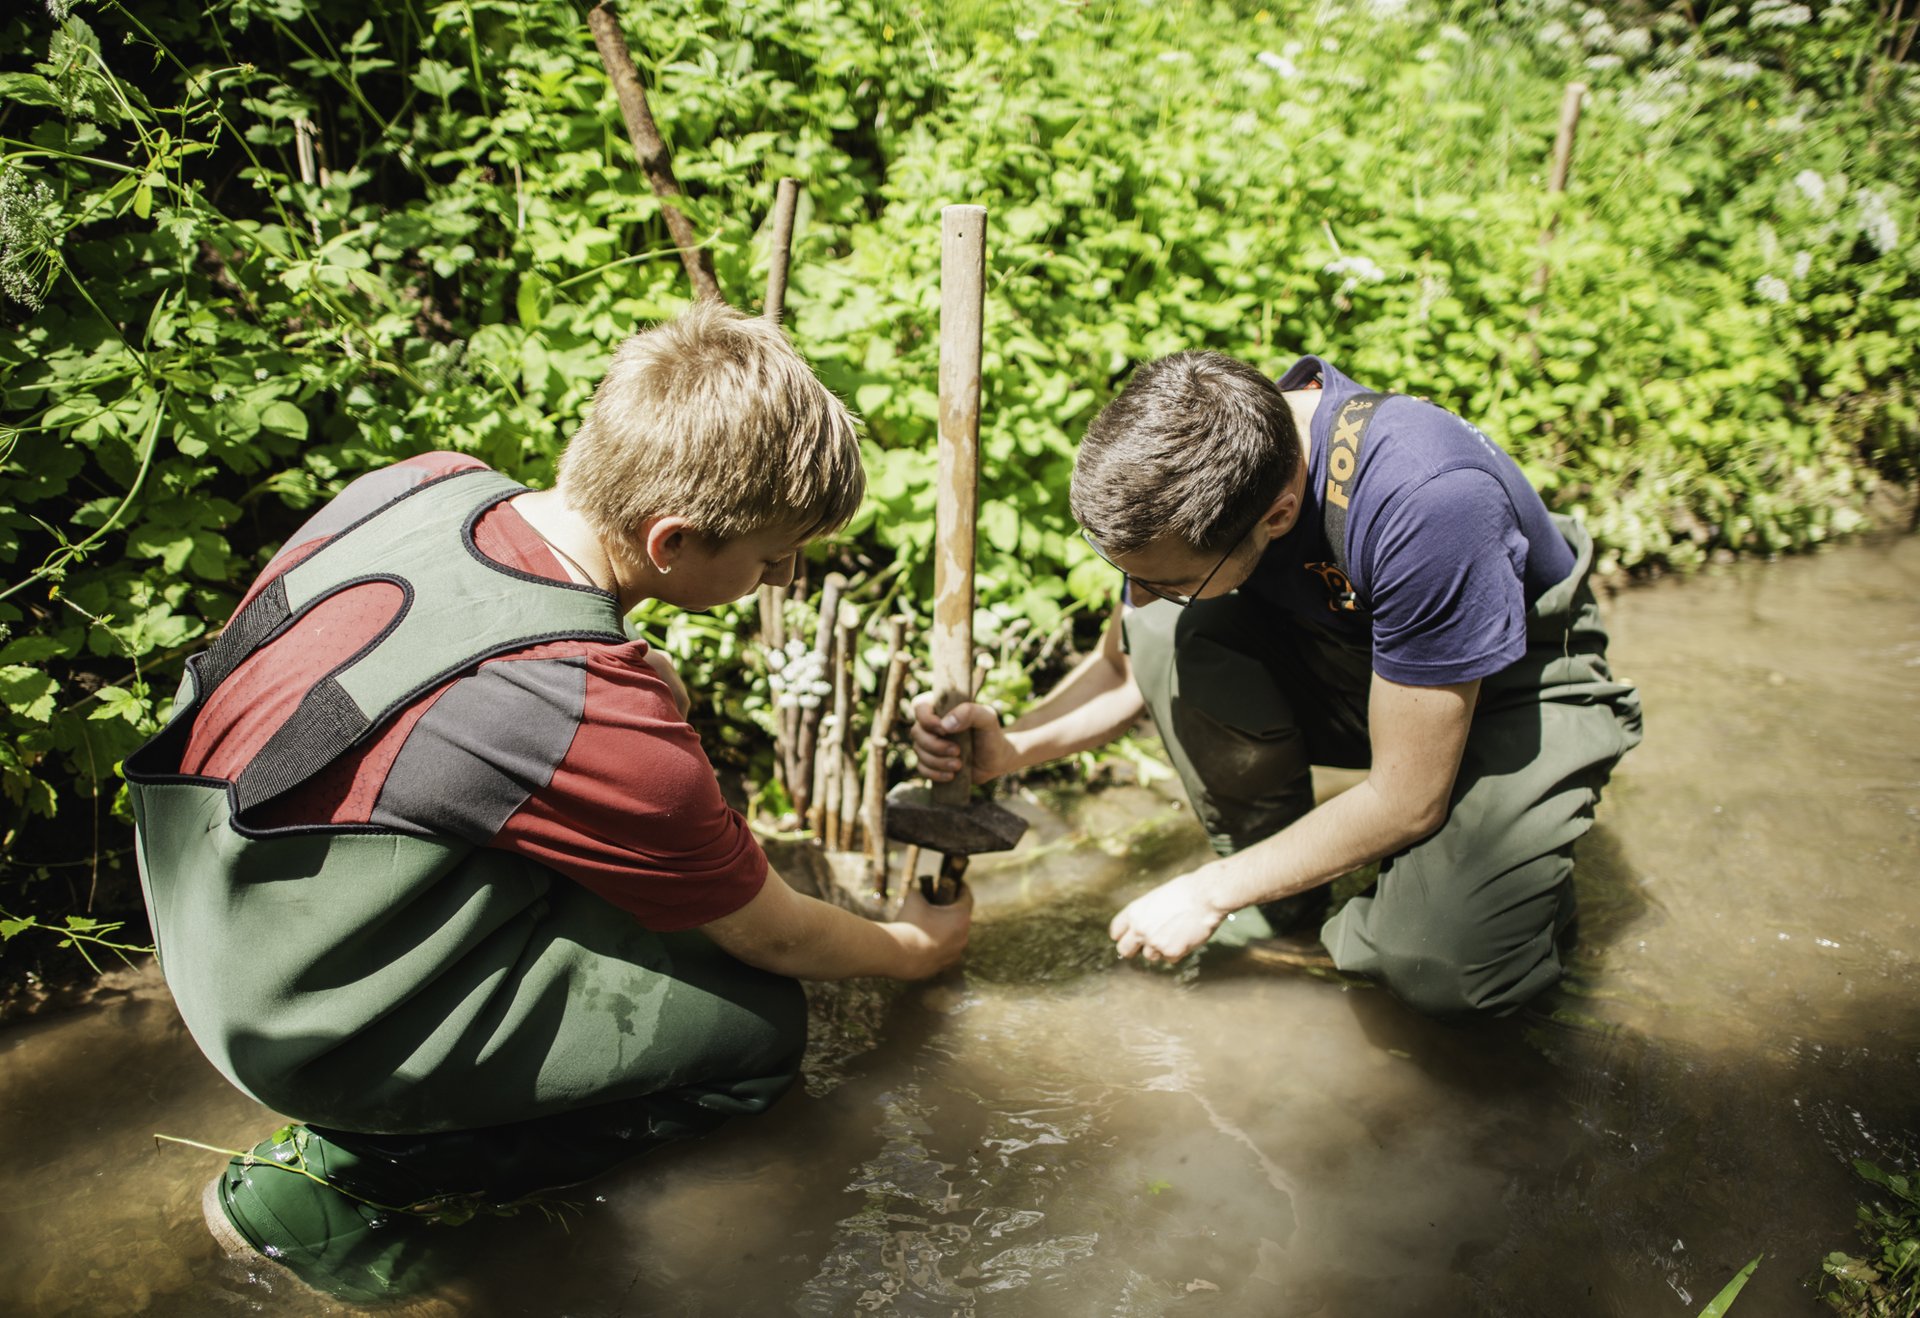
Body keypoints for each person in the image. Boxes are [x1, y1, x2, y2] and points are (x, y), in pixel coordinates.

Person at [126, 302, 970, 1305]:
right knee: (754, 1032)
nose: (784, 574)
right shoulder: (582, 711)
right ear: (671, 539)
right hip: (293, 1015)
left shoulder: (432, 483)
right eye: (773, 554)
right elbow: (777, 939)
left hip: (207, 896)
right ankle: (329, 1189)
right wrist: (915, 950)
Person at [912, 350, 1641, 1018]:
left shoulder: (1429, 504)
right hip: (1366, 663)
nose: (1134, 594)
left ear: (1280, 514)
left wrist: (1206, 891)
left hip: (1517, 683)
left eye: (1160, 579)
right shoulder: (1202, 457)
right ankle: (1296, 899)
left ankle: (1474, 900)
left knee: (1442, 967)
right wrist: (1012, 748)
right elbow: (1122, 664)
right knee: (1165, 631)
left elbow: (1407, 797)